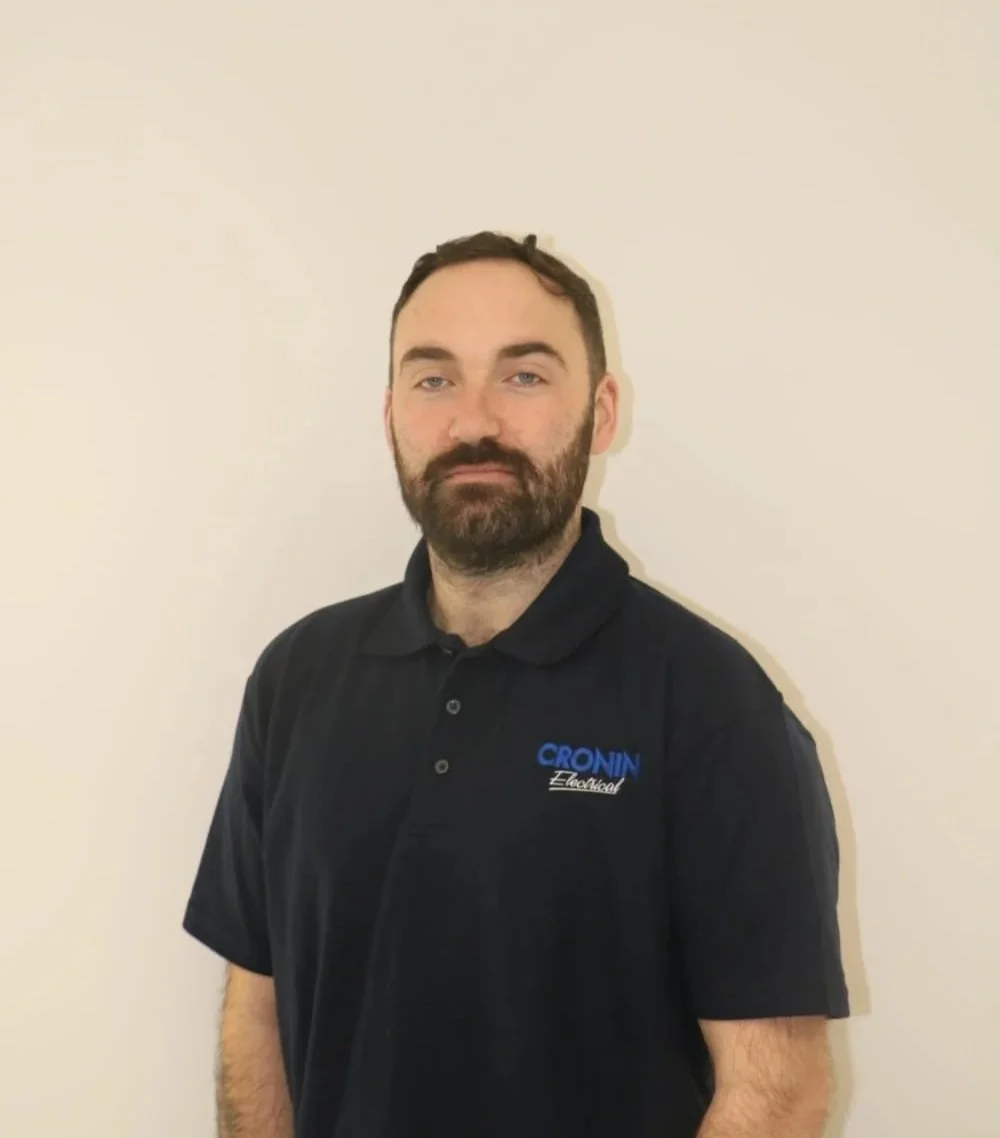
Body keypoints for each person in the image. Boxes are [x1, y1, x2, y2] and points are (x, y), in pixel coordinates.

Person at [182, 231, 850, 1138]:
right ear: (390, 414)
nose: (474, 421)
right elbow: (255, 1010)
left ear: (602, 411)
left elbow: (774, 1092)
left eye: (524, 375)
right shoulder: (294, 681)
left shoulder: (711, 705)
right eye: (434, 378)